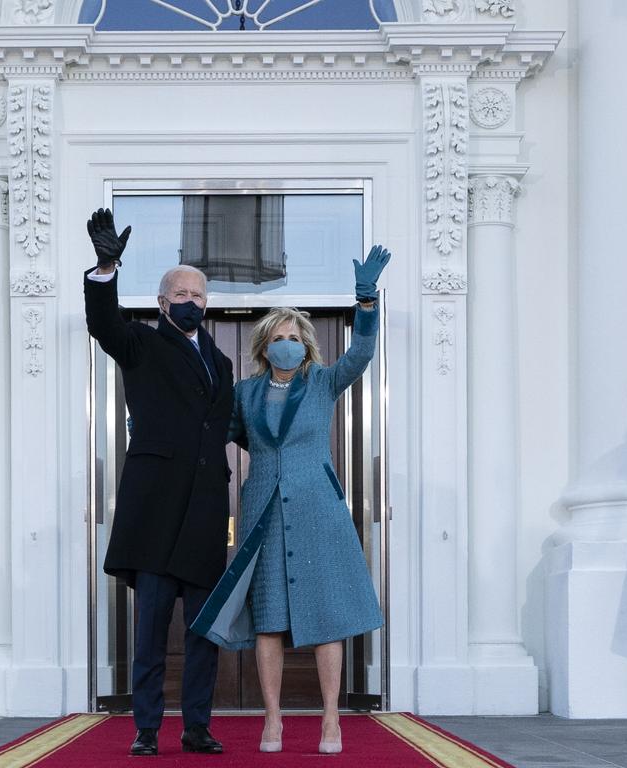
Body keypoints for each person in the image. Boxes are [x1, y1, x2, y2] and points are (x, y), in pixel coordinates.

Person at [192, 245, 391, 755]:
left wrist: (365, 303)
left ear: (306, 345)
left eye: (293, 338)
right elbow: (227, 433)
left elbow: (362, 354)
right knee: (269, 620)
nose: (286, 344)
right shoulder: (245, 392)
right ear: (264, 347)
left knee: (325, 617)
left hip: (318, 512)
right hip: (262, 513)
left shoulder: (322, 382)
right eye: (277, 338)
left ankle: (330, 720)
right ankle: (273, 721)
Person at [84, 209, 235, 756]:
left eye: (198, 293)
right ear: (163, 302)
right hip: (153, 516)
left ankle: (196, 725)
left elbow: (228, 426)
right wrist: (106, 267)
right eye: (181, 293)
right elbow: (103, 323)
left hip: (202, 518)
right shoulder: (141, 344)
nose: (191, 299)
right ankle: (147, 729)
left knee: (203, 634)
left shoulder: (221, 361)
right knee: (148, 635)